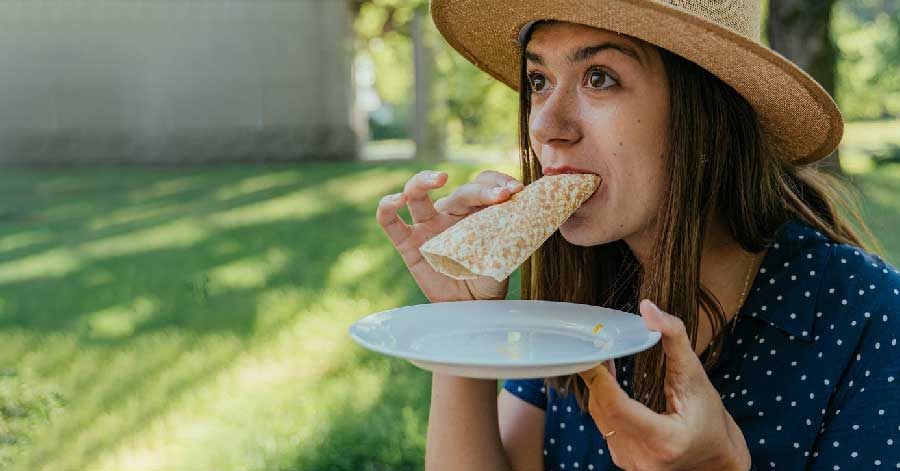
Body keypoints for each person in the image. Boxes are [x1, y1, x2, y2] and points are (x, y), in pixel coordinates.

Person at [375, 1, 900, 470]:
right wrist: (465, 327)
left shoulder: (870, 319)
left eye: (599, 77)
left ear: (705, 111)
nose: (546, 126)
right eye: (539, 81)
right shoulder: (574, 303)